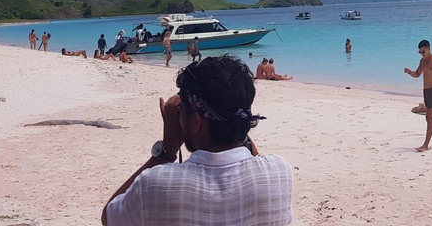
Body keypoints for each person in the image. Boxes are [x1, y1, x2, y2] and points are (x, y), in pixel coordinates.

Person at [101, 55, 293, 226]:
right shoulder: (280, 172)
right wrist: (234, 126)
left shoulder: (152, 185)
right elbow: (254, 161)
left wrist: (166, 153)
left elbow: (109, 217)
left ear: (196, 121)